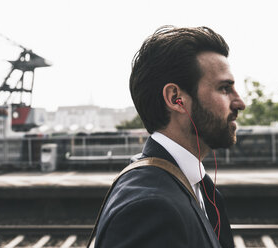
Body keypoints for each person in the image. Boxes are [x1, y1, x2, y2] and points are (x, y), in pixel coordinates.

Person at [94, 26, 246, 248]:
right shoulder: (150, 209)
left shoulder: (196, 185)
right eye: (224, 88)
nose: (240, 103)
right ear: (176, 98)